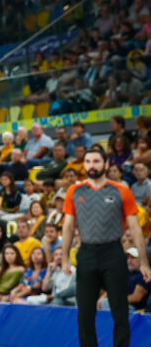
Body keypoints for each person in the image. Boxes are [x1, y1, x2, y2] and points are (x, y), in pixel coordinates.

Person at [60, 147, 151, 347]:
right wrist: (65, 258)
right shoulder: (74, 191)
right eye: (88, 162)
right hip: (86, 254)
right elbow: (68, 226)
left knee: (120, 311)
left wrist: (144, 262)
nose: (92, 166)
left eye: (96, 161)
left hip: (113, 253)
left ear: (106, 164)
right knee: (85, 313)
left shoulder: (121, 190)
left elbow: (135, 228)